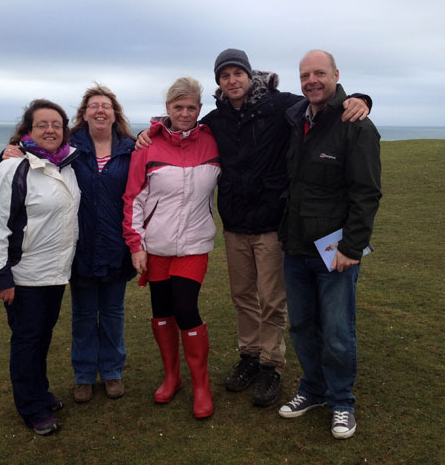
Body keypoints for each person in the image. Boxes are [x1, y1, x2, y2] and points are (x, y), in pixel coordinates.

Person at [137, 49, 370, 407]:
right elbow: (178, 128)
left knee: (272, 299)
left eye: (237, 73)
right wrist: (145, 133)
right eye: (224, 76)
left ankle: (271, 364)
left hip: (271, 222)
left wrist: (359, 99)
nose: (232, 80)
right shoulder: (215, 120)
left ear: (250, 75)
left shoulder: (281, 106)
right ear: (219, 82)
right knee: (243, 296)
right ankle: (249, 356)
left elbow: (320, 104)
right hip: (234, 223)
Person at [0, 85, 136, 403]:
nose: (100, 110)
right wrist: (7, 152)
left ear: (115, 113)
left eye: (106, 105)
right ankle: (85, 375)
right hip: (79, 247)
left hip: (117, 246)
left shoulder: (131, 148)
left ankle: (113, 372)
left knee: (114, 312)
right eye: (93, 105)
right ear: (83, 113)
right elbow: (32, 157)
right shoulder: (68, 146)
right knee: (84, 314)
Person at [277, 50, 382, 440]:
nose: (311, 80)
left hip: (336, 251)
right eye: (305, 75)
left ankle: (341, 401)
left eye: (319, 73)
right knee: (302, 326)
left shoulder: (356, 125)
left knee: (338, 330)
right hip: (296, 247)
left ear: (336, 75)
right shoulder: (296, 120)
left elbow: (367, 193)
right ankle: (314, 389)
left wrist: (352, 249)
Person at [123, 77, 221, 419]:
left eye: (191, 107)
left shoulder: (212, 140)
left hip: (194, 243)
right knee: (162, 311)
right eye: (178, 107)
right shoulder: (147, 145)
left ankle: (201, 385)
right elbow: (133, 197)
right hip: (156, 246)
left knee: (185, 309)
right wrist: (136, 244)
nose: (184, 113)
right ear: (167, 108)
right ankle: (171, 377)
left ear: (199, 109)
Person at [0, 99, 80, 436]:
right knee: (27, 339)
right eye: (42, 124)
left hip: (55, 272)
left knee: (43, 336)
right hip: (23, 275)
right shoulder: (14, 168)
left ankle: (39, 391)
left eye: (56, 124)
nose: (50, 130)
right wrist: (1, 276)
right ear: (27, 131)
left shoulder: (65, 164)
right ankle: (30, 407)